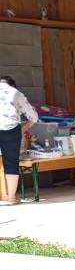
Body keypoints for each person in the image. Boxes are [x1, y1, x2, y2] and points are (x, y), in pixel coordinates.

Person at [0, 76, 38, 205]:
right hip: (10, 128)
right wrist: (25, 127)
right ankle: (11, 198)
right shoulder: (15, 92)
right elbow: (33, 116)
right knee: (11, 162)